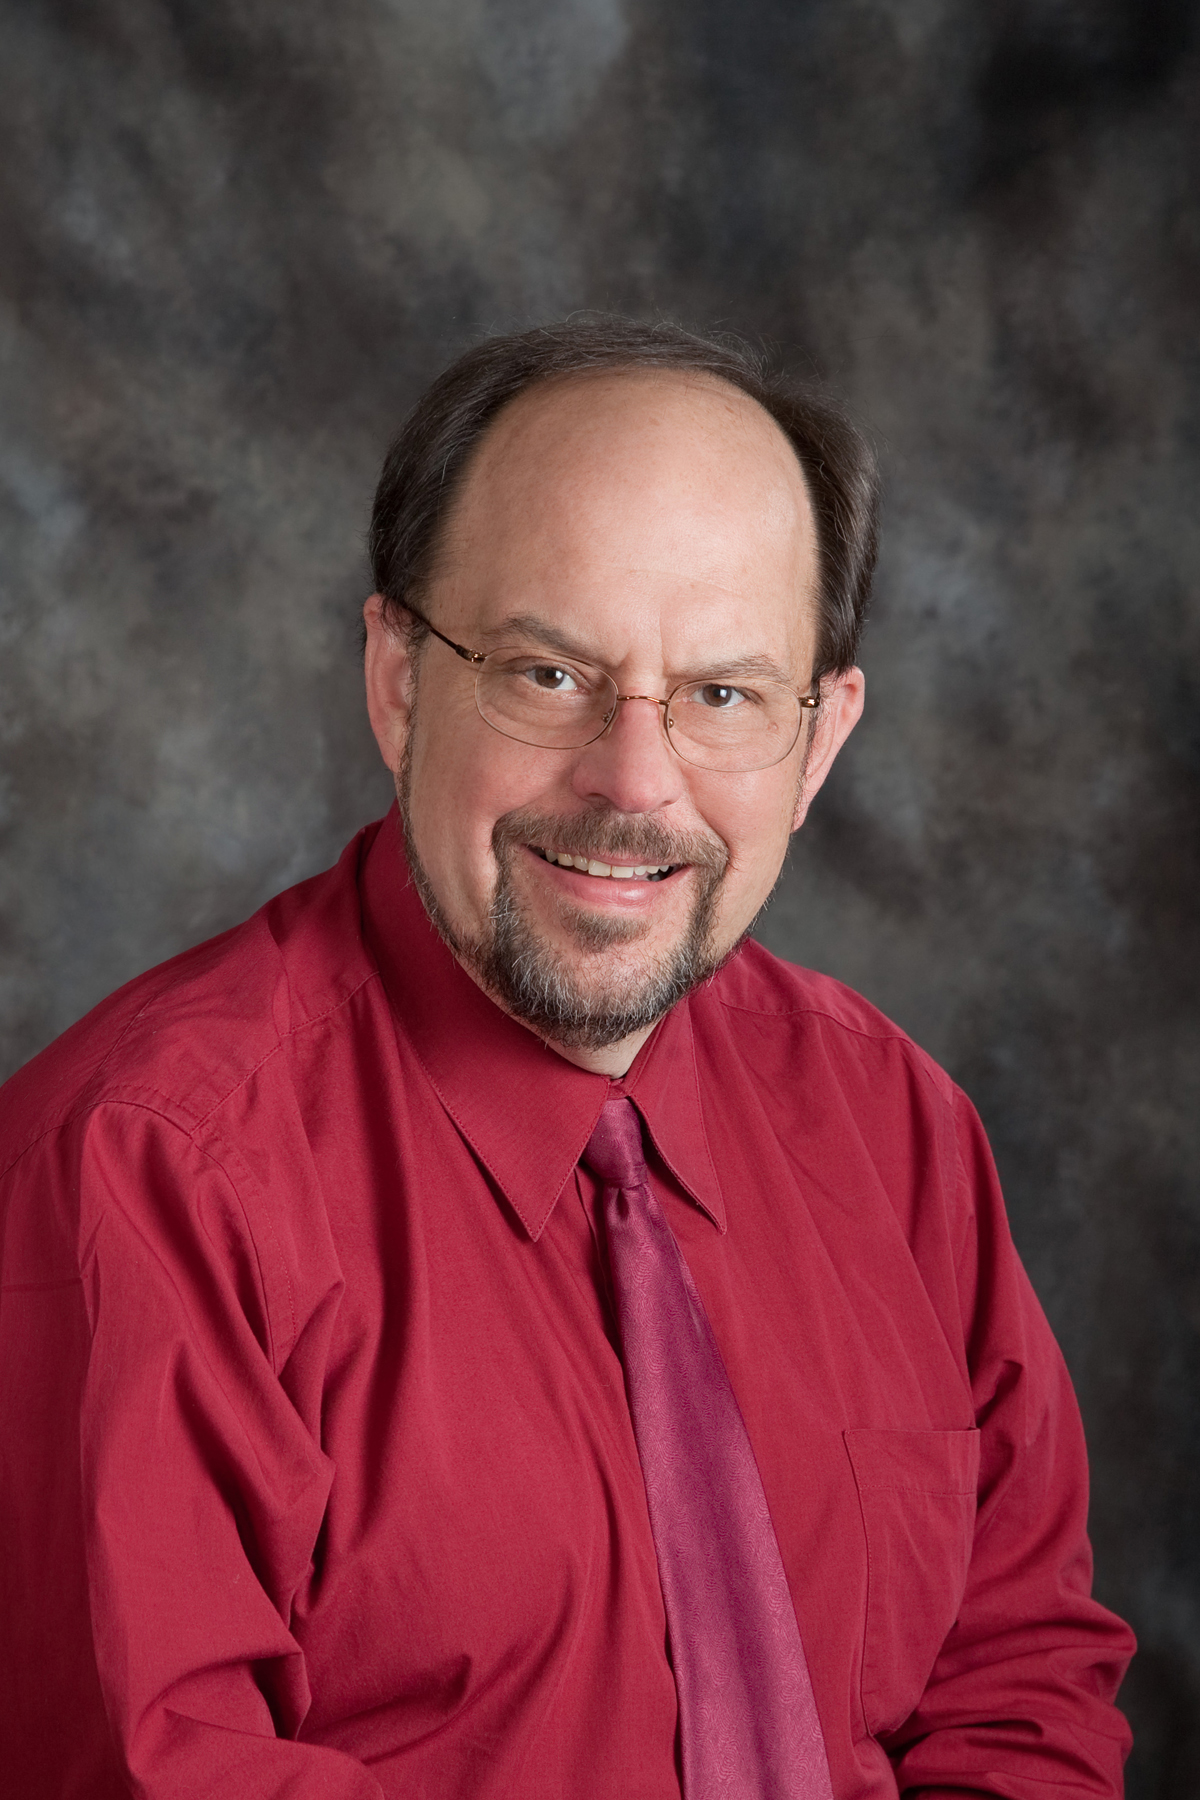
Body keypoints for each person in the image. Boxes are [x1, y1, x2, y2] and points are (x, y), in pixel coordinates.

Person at [0, 318, 1134, 1799]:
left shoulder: (895, 1128)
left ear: (820, 741)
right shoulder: (147, 1170)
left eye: (722, 695)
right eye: (547, 674)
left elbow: (1020, 1682)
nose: (634, 780)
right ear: (399, 682)